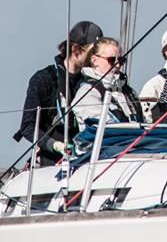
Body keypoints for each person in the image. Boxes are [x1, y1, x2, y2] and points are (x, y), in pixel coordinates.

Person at [14, 20, 103, 165]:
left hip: (85, 158)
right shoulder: (44, 79)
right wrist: (54, 145)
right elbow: (27, 126)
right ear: (75, 49)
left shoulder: (94, 82)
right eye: (92, 52)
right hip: (49, 161)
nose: (95, 59)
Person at [73, 37, 142, 130]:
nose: (117, 65)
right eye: (112, 60)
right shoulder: (87, 92)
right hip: (106, 143)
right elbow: (104, 126)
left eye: (121, 61)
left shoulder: (129, 92)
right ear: (94, 60)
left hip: (135, 142)